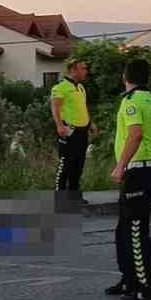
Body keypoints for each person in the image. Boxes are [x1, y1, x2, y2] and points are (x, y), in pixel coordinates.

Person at [105, 59, 151, 300]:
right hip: (149, 169)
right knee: (123, 228)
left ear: (125, 77)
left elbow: (135, 134)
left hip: (138, 171)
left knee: (135, 230)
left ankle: (148, 287)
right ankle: (129, 279)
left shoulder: (130, 101)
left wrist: (120, 165)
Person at [50, 59, 94, 201]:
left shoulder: (80, 87)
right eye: (83, 68)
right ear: (73, 70)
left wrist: (91, 123)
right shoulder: (60, 87)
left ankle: (74, 195)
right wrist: (59, 125)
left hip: (82, 132)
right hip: (69, 131)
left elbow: (83, 107)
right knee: (66, 164)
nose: (86, 71)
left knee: (78, 164)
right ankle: (60, 197)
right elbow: (55, 108)